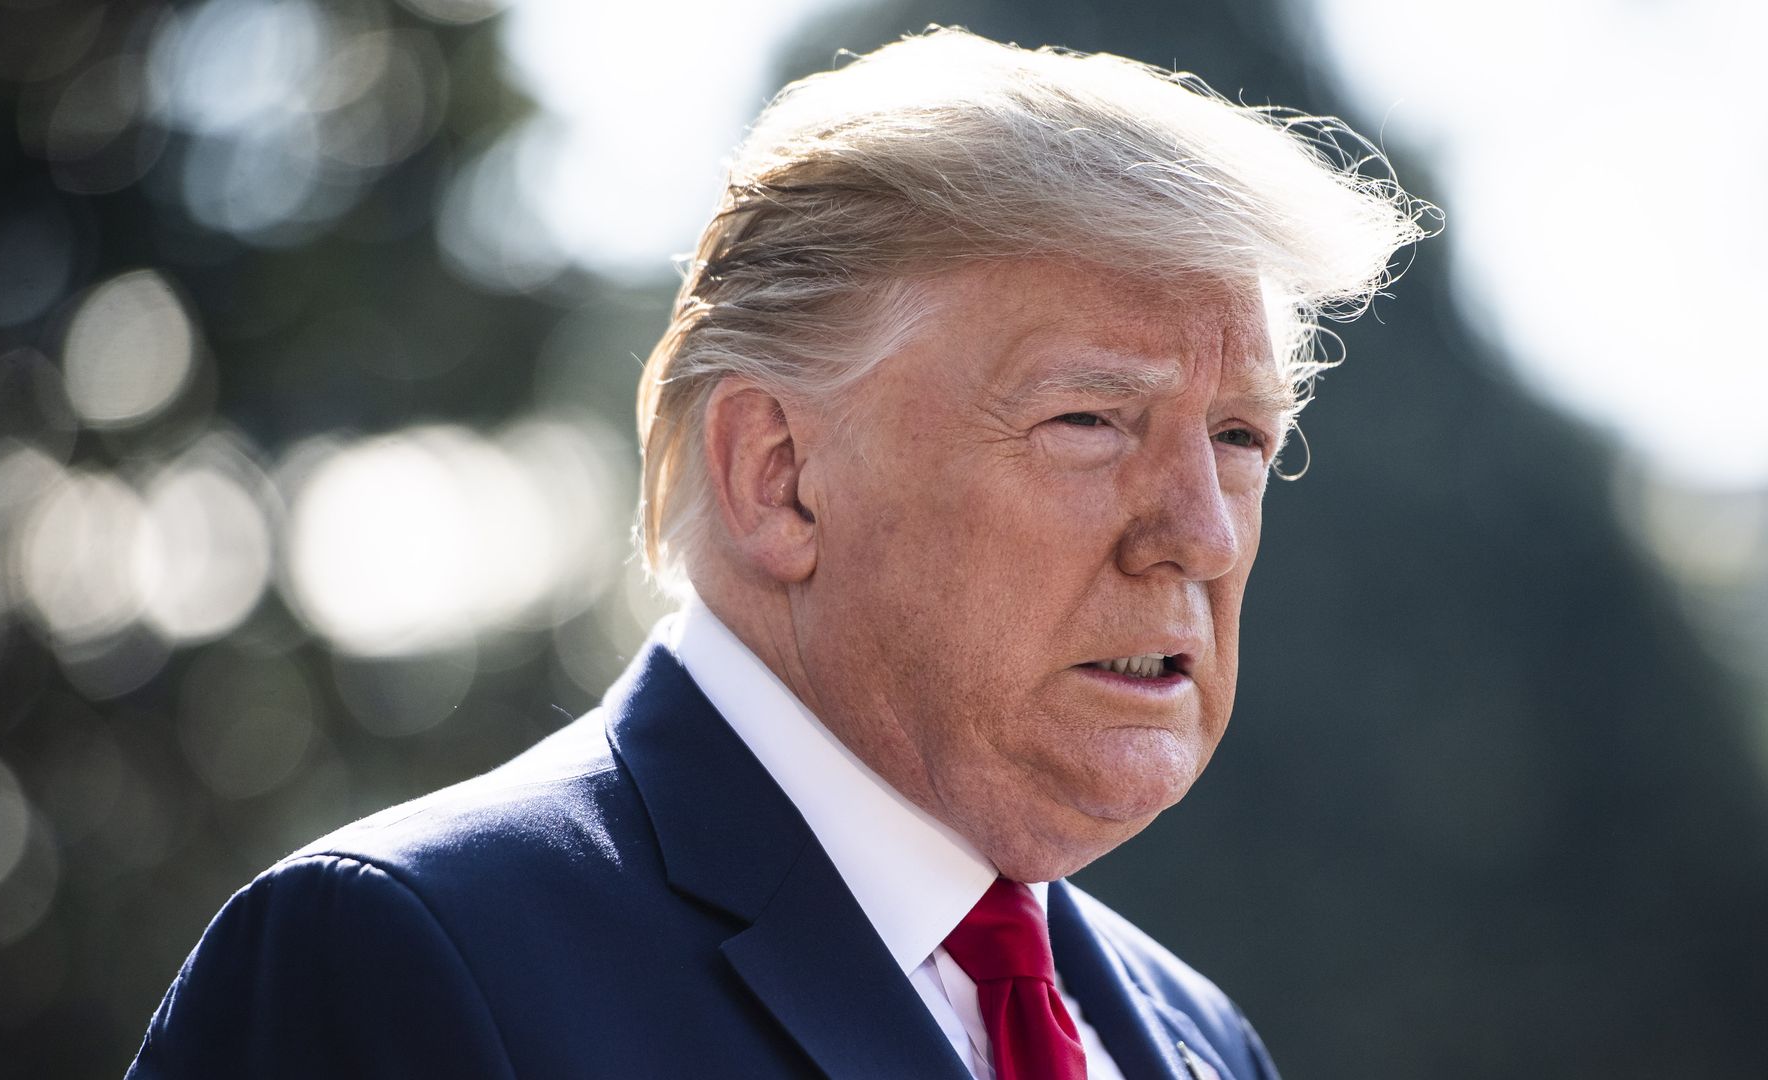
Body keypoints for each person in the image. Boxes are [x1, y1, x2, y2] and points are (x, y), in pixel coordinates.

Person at [127, 27, 1426, 1080]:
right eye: (1090, 419)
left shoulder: (1195, 1042)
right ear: (778, 476)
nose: (1200, 531)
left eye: (1243, 437)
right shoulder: (401, 959)